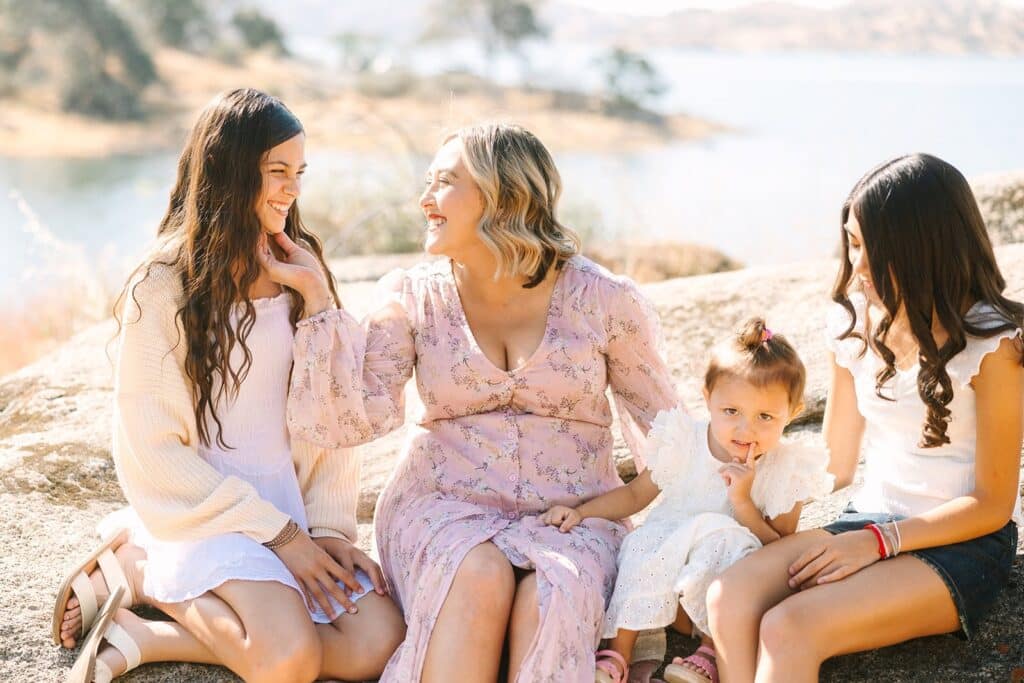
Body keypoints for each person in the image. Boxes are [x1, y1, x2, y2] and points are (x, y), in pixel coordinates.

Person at [286, 123, 679, 681]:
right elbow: (351, 418)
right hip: (441, 507)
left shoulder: (604, 301)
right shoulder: (413, 298)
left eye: (443, 183)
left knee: (556, 589)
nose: (424, 200)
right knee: (476, 574)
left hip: (574, 517)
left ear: (504, 196)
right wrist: (320, 304)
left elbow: (670, 440)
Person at [53, 88, 405, 683]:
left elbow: (330, 418)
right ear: (232, 172)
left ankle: (143, 629)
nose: (292, 189)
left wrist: (323, 530)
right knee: (289, 660)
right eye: (276, 173)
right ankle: (142, 566)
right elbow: (155, 451)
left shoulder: (302, 268)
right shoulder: (163, 285)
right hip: (201, 515)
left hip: (286, 511)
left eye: (299, 173)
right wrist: (284, 537)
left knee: (380, 640)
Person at [706, 153, 1024, 682]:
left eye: (874, 248)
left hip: (959, 542)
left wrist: (875, 545)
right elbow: (835, 464)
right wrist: (746, 446)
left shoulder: (995, 344)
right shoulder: (851, 325)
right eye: (853, 242)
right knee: (728, 596)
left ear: (924, 247)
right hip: (868, 520)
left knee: (790, 627)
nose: (857, 266)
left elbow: (993, 505)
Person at [540, 318, 833, 683]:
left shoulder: (786, 468)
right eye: (731, 412)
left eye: (765, 417)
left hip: (724, 590)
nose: (746, 429)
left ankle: (713, 649)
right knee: (643, 539)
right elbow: (635, 494)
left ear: (792, 413)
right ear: (708, 399)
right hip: (667, 580)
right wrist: (581, 512)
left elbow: (780, 550)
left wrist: (742, 503)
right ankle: (619, 652)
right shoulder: (684, 441)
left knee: (725, 533)